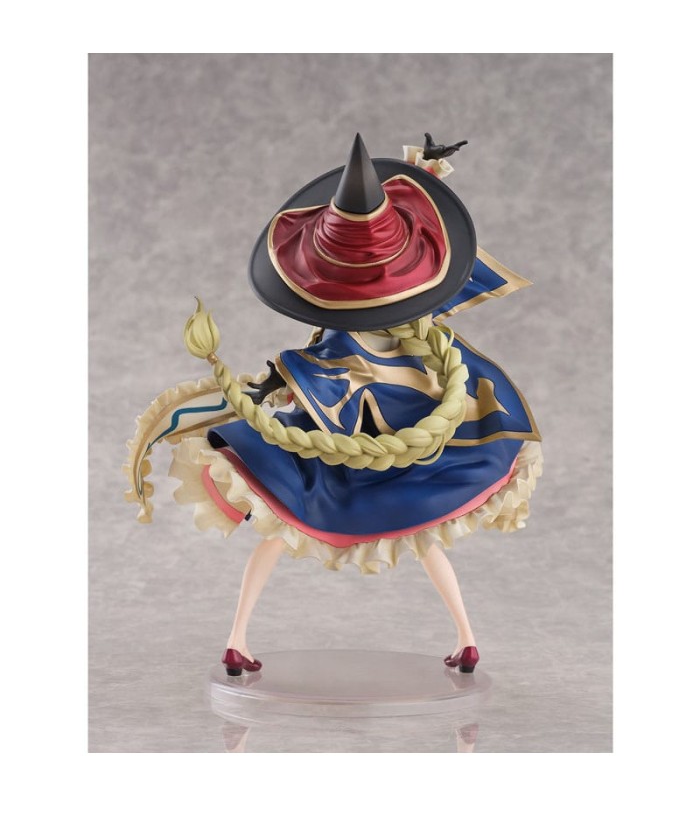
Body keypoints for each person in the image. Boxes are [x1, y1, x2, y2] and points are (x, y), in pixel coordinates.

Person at [125, 133, 542, 676]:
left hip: (375, 447)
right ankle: (465, 638)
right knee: (413, 537)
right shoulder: (415, 330)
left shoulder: (357, 342)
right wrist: (424, 170)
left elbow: (309, 374)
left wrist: (254, 390)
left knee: (282, 530)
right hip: (374, 447)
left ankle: (238, 638)